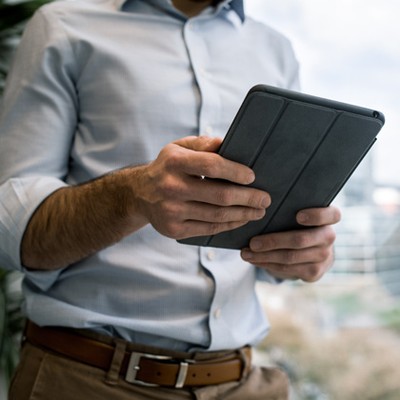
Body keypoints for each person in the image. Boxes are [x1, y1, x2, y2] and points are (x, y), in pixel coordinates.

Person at [0, 0, 341, 399]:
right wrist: (132, 196)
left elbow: (272, 236)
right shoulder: (63, 25)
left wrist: (304, 249)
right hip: (87, 381)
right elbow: (12, 234)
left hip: (245, 382)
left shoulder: (275, 49)